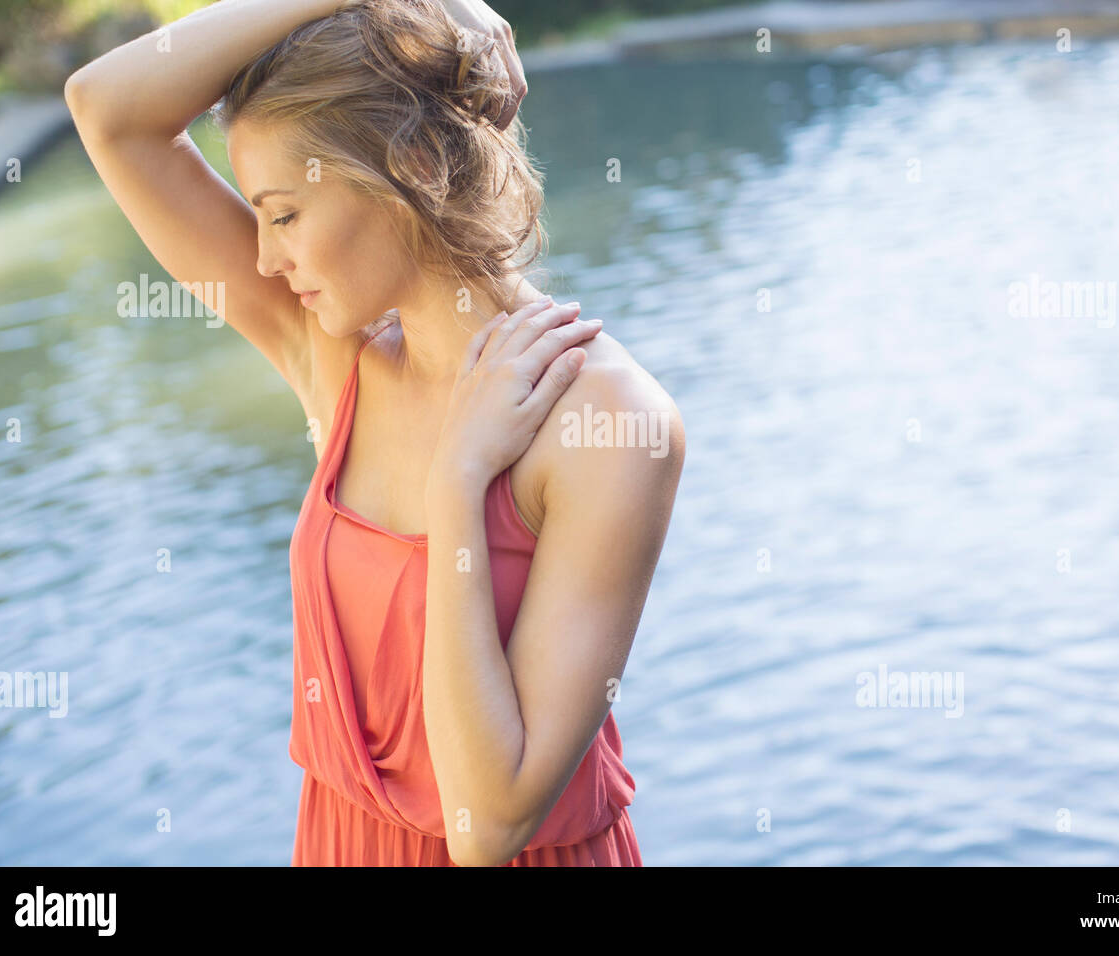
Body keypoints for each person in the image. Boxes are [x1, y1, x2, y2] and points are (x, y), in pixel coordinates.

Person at [64, 0, 685, 866]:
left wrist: (460, 481)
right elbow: (108, 109)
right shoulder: (335, 357)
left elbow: (487, 825)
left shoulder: (610, 421)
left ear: (416, 164)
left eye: (283, 215)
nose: (263, 261)